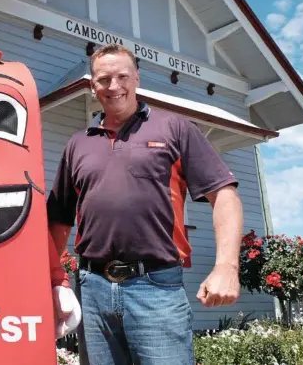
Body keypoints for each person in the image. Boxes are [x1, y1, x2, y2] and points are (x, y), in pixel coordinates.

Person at [46, 43, 244, 365]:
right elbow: (58, 219)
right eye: (103, 79)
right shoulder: (77, 145)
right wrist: (53, 280)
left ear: (136, 78)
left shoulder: (174, 129)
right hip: (92, 289)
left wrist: (226, 267)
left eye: (122, 76)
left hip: (156, 288)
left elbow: (224, 194)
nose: (113, 86)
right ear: (92, 85)